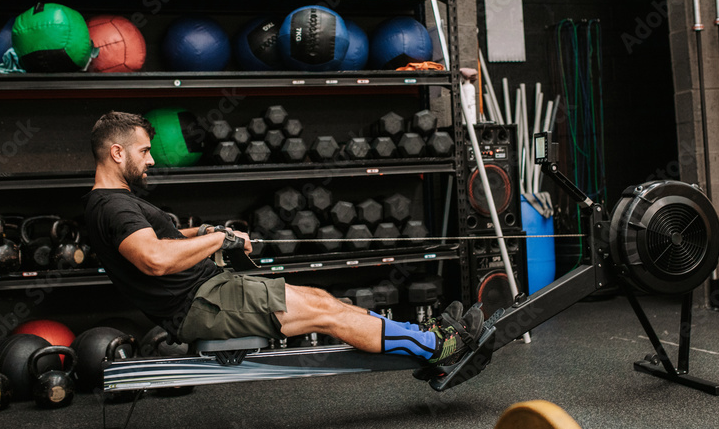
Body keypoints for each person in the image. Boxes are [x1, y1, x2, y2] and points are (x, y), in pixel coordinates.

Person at [83, 111, 483, 367]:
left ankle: (422, 335)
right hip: (202, 305)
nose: (152, 160)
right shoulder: (114, 207)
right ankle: (438, 347)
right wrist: (218, 239)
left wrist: (201, 232)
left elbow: (162, 239)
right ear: (117, 153)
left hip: (210, 291)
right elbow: (154, 259)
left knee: (324, 300)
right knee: (327, 314)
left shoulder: (115, 203)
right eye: (144, 152)